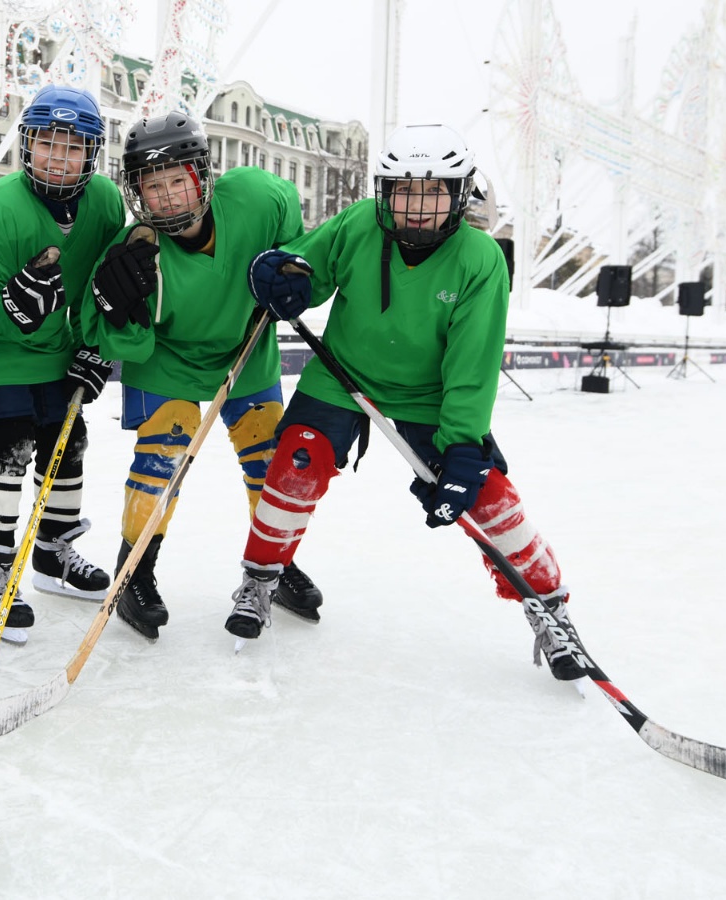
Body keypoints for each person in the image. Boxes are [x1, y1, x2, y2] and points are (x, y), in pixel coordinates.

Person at [239, 123, 584, 678]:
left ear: (458, 193)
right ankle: (259, 579)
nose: (417, 207)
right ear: (385, 192)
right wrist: (281, 273)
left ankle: (550, 608)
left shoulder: (480, 259)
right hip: (343, 374)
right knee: (295, 463)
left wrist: (463, 450)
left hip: (431, 394)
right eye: (404, 191)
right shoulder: (359, 224)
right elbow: (307, 266)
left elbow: (470, 368)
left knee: (488, 494)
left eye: (434, 191)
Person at [78, 111, 323, 640]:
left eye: (176, 181)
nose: (167, 197)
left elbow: (294, 237)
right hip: (170, 366)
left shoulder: (256, 196)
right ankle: (135, 573)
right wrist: (117, 311)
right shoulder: (135, 254)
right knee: (160, 466)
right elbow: (108, 333)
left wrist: (288, 269)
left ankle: (273, 562)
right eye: (153, 185)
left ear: (202, 176)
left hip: (247, 351)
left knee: (271, 463)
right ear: (138, 191)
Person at [0, 85, 123, 639]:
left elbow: (108, 287)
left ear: (92, 154)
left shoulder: (105, 202)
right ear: (26, 144)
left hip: (58, 346)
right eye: (47, 142)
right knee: (9, 442)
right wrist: (11, 308)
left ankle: (53, 549)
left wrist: (98, 344)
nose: (58, 156)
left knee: (66, 440)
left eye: (72, 147)